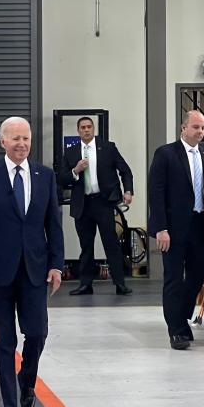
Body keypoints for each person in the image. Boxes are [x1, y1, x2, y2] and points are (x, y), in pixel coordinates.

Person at [0, 116, 64, 407]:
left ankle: (27, 380)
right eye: (15, 139)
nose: (22, 144)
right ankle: (9, 406)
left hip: (35, 270)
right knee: (5, 340)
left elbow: (54, 224)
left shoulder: (45, 175)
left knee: (37, 333)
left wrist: (56, 264)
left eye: (26, 138)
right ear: (3, 142)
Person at [147, 110, 204, 350]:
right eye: (195, 127)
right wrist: (160, 228)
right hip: (173, 229)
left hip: (199, 226)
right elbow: (155, 193)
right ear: (183, 128)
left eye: (203, 128)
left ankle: (182, 315)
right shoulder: (166, 154)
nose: (200, 132)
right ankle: (176, 330)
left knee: (198, 274)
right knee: (174, 279)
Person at [57, 117, 134, 296]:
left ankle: (120, 283)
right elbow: (61, 178)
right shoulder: (71, 152)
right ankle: (85, 284)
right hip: (82, 204)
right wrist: (75, 170)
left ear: (94, 129)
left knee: (111, 243)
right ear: (78, 131)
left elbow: (125, 170)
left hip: (104, 202)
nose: (86, 130)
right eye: (83, 128)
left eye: (89, 127)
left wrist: (128, 191)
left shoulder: (108, 147)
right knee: (86, 246)